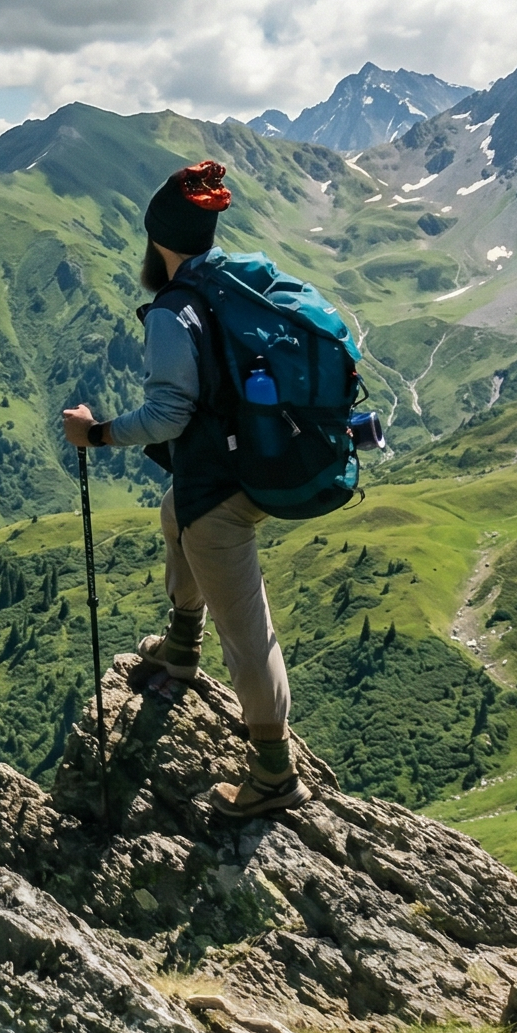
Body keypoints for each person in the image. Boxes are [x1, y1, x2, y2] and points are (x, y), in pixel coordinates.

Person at [63, 160, 302, 817]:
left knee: (248, 631)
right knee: (175, 515)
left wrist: (98, 433)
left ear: (156, 238)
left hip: (223, 486)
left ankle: (273, 775)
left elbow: (169, 414)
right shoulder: (232, 283)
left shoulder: (175, 310)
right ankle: (180, 648)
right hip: (258, 460)